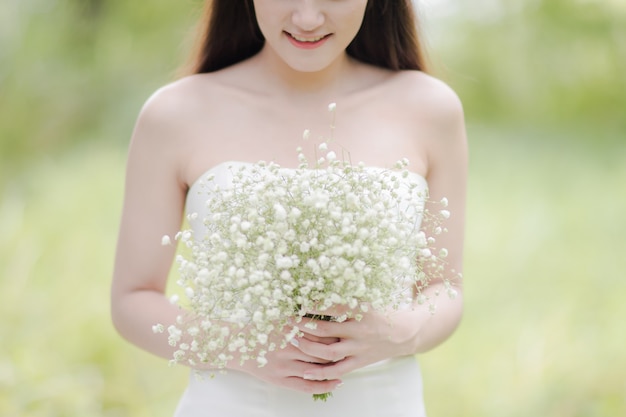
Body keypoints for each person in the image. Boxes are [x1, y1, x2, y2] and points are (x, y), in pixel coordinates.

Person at [111, 0, 467, 415]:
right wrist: (246, 347)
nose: (307, 19)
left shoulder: (429, 108)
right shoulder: (175, 113)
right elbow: (132, 300)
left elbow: (446, 290)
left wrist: (398, 331)